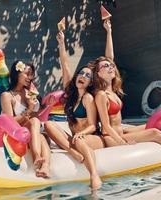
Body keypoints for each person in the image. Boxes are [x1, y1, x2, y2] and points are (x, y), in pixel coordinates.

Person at [44, 19, 114, 190]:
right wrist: (61, 43)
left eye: (88, 75)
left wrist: (81, 134)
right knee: (48, 124)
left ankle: (94, 175)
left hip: (92, 138)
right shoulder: (70, 95)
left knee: (80, 141)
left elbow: (92, 125)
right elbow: (65, 64)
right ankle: (73, 152)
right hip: (75, 140)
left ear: (90, 83)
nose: (82, 76)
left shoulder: (88, 99)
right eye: (81, 73)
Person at [1, 60, 51, 178]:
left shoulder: (30, 91)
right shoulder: (7, 96)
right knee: (34, 123)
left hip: (36, 132)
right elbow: (10, 123)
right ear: (17, 73)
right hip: (19, 135)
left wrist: (46, 105)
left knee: (41, 135)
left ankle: (45, 167)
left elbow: (36, 114)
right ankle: (37, 156)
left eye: (31, 74)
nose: (30, 77)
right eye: (27, 73)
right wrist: (29, 109)